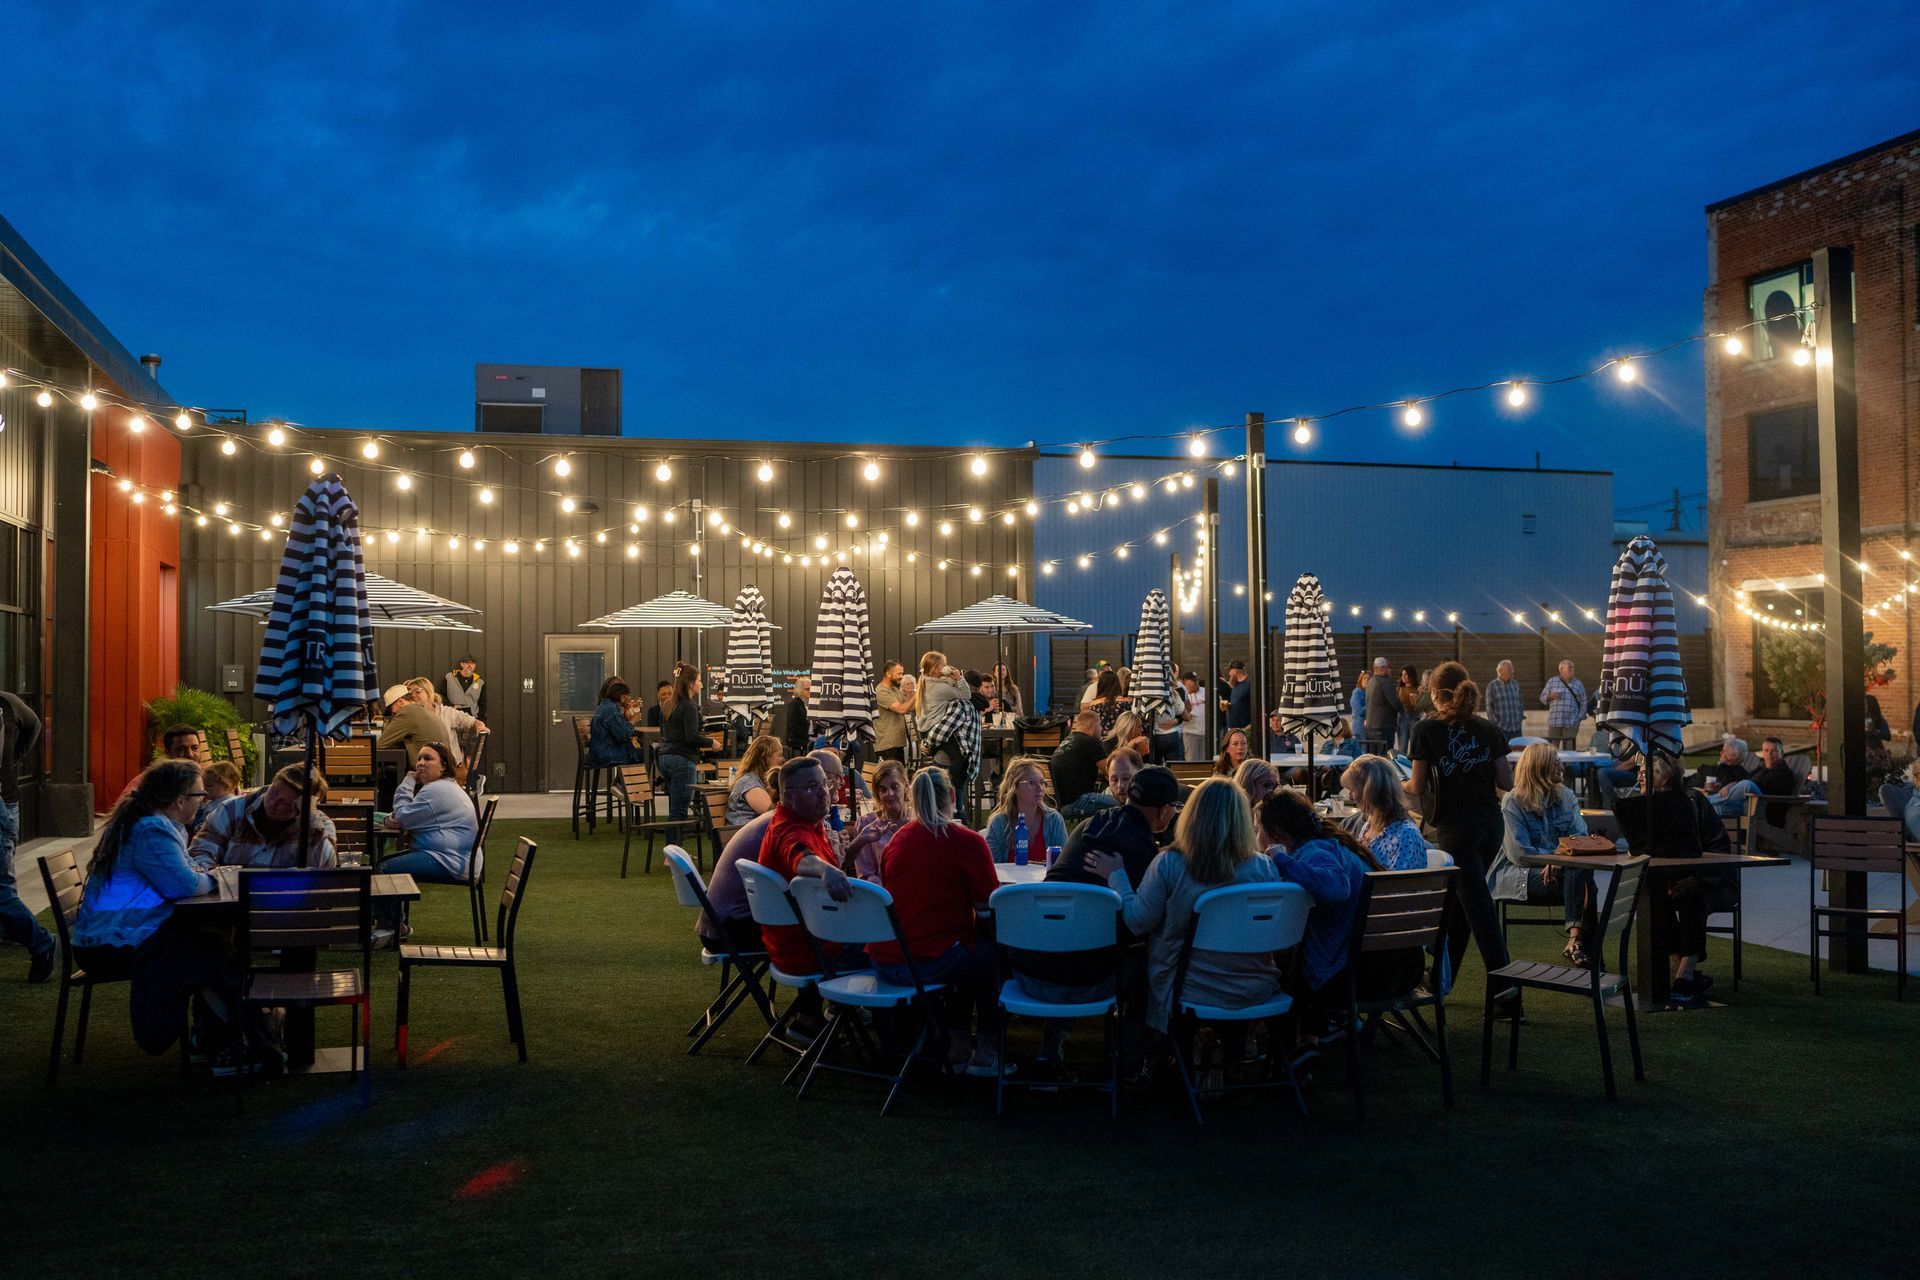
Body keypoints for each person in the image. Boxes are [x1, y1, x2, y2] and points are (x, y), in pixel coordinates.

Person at [71, 760, 271, 1066]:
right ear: (180, 800)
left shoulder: (148, 822)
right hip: (110, 943)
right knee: (214, 955)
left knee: (213, 950)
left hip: (111, 934)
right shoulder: (152, 829)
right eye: (200, 796)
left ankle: (225, 1038)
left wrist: (203, 875)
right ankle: (242, 1041)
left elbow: (183, 875)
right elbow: (184, 885)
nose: (204, 801)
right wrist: (217, 878)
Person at [1087, 778, 1284, 1049]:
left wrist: (1117, 876)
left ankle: (1145, 1055)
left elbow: (1137, 922)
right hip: (1255, 985)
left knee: (1134, 964)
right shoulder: (1263, 867)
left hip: (1188, 987)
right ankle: (1226, 1051)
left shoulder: (1171, 864)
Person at [869, 766, 1003, 1075]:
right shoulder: (967, 841)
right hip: (926, 962)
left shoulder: (897, 841)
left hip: (885, 960)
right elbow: (989, 906)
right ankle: (986, 1048)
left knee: (967, 955)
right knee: (990, 955)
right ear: (953, 796)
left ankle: (957, 1043)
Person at [1257, 790, 1414, 1038]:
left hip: (1361, 977)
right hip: (1397, 965)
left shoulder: (1313, 851)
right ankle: (1310, 1034)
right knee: (1290, 959)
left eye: (1258, 829)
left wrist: (1282, 861)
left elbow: (1337, 888)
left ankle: (1293, 1043)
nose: (1257, 836)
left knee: (1276, 965)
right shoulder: (1337, 844)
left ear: (1277, 833)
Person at [1405, 660, 1513, 979]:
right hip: (1492, 825)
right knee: (1464, 905)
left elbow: (1416, 786)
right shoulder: (1488, 728)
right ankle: (1441, 977)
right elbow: (1507, 782)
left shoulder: (1425, 730)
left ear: (1435, 694)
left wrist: (1396, 781)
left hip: (1456, 828)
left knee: (1479, 912)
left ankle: (1507, 994)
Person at [757, 756, 857, 1030]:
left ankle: (822, 1014)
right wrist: (828, 871)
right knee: (891, 947)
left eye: (824, 784)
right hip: (808, 948)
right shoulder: (789, 829)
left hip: (798, 938)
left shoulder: (807, 822)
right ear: (788, 796)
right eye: (812, 788)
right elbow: (800, 858)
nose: (824, 792)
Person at [1614, 756, 1722, 1006]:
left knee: (1690, 899)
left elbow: (1717, 847)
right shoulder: (1647, 807)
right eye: (1640, 771)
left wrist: (1695, 878)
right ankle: (1686, 973)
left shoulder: (1692, 801)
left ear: (1665, 777)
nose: (1640, 775)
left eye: (1648, 771)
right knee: (1655, 899)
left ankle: (1684, 975)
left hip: (1709, 878)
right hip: (1667, 878)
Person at [1492, 743, 1597, 966]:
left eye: (1559, 760)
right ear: (1538, 768)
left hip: (1562, 873)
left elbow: (1580, 838)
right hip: (1519, 874)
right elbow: (1519, 854)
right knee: (1585, 880)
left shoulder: (1567, 797)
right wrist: (1556, 858)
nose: (1561, 765)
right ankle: (1588, 952)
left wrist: (1558, 861)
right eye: (1554, 761)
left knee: (1582, 874)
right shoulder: (1513, 801)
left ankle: (1575, 944)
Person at [0, 688, 53, 982]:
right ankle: (13, 929)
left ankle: (40, 942)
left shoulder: (6, 703)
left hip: (2, 804)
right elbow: (33, 724)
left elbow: (34, 725)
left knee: (1, 890)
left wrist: (12, 761)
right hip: (6, 802)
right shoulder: (7, 703)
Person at [191, 764, 338, 869]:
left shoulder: (319, 826)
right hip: (234, 903)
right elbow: (201, 851)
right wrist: (215, 879)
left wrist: (309, 822)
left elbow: (323, 869)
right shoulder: (232, 810)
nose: (273, 802)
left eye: (285, 803)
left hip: (290, 906)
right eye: (274, 791)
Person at [380, 743, 481, 883]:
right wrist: (395, 817)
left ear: (444, 766)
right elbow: (408, 815)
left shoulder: (437, 790)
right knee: (385, 862)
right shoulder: (446, 785)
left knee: (384, 868)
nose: (421, 763)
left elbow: (402, 818)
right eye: (419, 759)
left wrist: (408, 783)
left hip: (452, 862)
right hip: (461, 859)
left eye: (428, 759)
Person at [697, 812, 774, 954]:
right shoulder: (779, 826)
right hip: (728, 931)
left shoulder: (769, 820)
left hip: (716, 925)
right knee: (815, 932)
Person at [1340, 754, 1428, 871]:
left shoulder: (1405, 835)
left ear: (1370, 792)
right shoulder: (1370, 824)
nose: (1350, 797)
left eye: (1353, 790)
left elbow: (1400, 886)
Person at [983, 757, 1068, 863]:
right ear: (1015, 788)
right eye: (1031, 783)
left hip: (1046, 879)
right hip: (1009, 880)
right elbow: (993, 867)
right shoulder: (999, 822)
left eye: (1042, 782)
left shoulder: (1054, 820)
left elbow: (1063, 864)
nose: (1040, 788)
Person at [915, 652, 977, 796]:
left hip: (928, 729)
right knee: (961, 757)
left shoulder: (927, 682)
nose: (947, 667)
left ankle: (951, 790)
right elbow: (966, 695)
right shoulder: (940, 688)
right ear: (936, 669)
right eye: (944, 664)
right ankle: (946, 788)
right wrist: (959, 678)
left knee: (954, 757)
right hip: (938, 730)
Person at [406, 675, 489, 776]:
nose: (413, 695)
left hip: (449, 770)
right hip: (424, 769)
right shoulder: (411, 716)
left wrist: (480, 726)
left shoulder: (447, 713)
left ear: (428, 691)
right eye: (410, 693)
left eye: (417, 691)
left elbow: (472, 722)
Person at [848, 759, 909, 881]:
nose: (889, 794)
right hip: (881, 894)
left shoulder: (918, 820)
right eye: (883, 789)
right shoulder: (867, 823)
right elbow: (865, 873)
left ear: (906, 787)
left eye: (895, 787)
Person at [114, 723, 206, 804]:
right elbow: (124, 812)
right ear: (168, 753)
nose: (190, 754)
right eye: (181, 749)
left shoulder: (209, 778)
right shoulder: (150, 781)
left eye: (195, 748)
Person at [1050, 710, 1117, 819]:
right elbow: (1111, 772)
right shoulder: (1090, 742)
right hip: (1077, 802)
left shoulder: (1066, 741)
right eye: (1099, 725)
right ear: (1091, 726)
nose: (1101, 729)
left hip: (1059, 803)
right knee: (1125, 803)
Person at [660, 667, 706, 822]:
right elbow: (692, 737)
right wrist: (711, 742)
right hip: (682, 760)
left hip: (665, 758)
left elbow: (663, 733)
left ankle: (672, 844)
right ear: (691, 684)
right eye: (699, 681)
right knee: (680, 811)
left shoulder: (668, 705)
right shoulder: (689, 707)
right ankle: (672, 845)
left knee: (675, 806)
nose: (701, 684)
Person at [585, 677, 646, 768]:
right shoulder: (611, 710)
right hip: (606, 754)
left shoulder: (606, 706)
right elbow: (622, 735)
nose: (629, 699)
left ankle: (620, 781)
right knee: (645, 754)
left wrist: (626, 713)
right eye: (628, 695)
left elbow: (617, 729)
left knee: (637, 752)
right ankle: (628, 781)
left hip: (598, 752)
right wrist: (633, 720)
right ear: (621, 697)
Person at [726, 735, 785, 827]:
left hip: (756, 830)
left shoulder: (760, 779)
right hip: (743, 833)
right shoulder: (748, 782)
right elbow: (771, 813)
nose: (783, 759)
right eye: (779, 755)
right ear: (766, 757)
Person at [1540, 659, 1588, 751]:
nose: (1572, 670)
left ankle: (1568, 766)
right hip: (1555, 722)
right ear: (1561, 669)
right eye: (1569, 668)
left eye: (1573, 668)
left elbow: (1584, 702)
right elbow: (1542, 698)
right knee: (1552, 750)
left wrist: (1578, 719)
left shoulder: (1578, 683)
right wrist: (1550, 696)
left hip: (1571, 723)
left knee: (1569, 750)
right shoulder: (1552, 682)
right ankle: (1554, 765)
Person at [873, 662, 914, 763]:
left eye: (902, 673)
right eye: (899, 674)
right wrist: (916, 696)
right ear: (888, 674)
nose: (902, 677)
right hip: (886, 746)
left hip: (897, 744)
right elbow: (901, 709)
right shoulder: (881, 691)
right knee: (889, 776)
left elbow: (909, 707)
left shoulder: (895, 690)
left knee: (899, 776)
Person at [1363, 656, 1398, 756]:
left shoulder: (1370, 682)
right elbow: (1395, 702)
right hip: (1383, 729)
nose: (1390, 670)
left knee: (1373, 758)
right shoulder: (1384, 681)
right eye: (1388, 668)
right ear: (1383, 668)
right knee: (1384, 759)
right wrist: (1406, 711)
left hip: (1371, 729)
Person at [1485, 659, 1525, 746]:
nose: (1512, 671)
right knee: (1501, 753)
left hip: (1516, 727)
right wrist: (1496, 723)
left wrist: (1520, 718)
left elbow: (1521, 703)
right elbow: (1489, 707)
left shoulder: (1516, 684)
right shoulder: (1492, 685)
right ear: (1501, 671)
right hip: (1501, 727)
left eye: (1512, 668)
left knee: (1518, 754)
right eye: (1510, 669)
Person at [1087, 669, 1131, 737]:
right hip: (1122, 741)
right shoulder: (1126, 703)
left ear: (1100, 685)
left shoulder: (1094, 705)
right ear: (1117, 684)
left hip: (1101, 742)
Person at [1180, 672, 1209, 762]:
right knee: (1191, 760)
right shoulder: (1182, 695)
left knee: (1206, 761)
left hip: (1206, 734)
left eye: (1196, 680)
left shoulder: (1205, 691)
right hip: (1190, 733)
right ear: (1185, 682)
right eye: (1193, 680)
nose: (1196, 682)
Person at [1395, 665, 1422, 754]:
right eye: (1402, 675)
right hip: (1403, 717)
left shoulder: (1418, 688)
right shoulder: (1399, 689)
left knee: (1415, 745)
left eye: (1406, 675)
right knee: (1403, 746)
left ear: (1411, 675)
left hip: (1415, 717)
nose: (1403, 677)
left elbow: (1422, 704)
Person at [784, 674, 813, 758]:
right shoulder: (795, 704)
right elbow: (794, 726)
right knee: (816, 744)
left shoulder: (811, 704)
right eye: (808, 689)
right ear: (800, 690)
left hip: (808, 736)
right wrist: (809, 737)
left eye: (812, 689)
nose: (810, 691)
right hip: (796, 738)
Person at [1224, 660, 1251, 731]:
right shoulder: (1235, 684)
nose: (1229, 673)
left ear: (1235, 671)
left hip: (1244, 726)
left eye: (1230, 670)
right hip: (1232, 725)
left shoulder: (1249, 684)